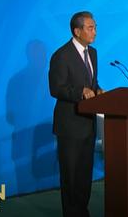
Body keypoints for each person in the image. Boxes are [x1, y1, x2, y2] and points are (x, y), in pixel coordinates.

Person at [49, 11, 103, 217]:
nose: (94, 32)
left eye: (95, 27)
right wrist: (80, 91)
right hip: (70, 126)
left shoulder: (93, 53)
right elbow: (56, 88)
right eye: (90, 28)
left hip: (88, 124)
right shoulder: (61, 56)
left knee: (84, 175)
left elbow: (92, 83)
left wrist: (99, 90)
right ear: (77, 31)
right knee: (70, 176)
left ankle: (83, 211)